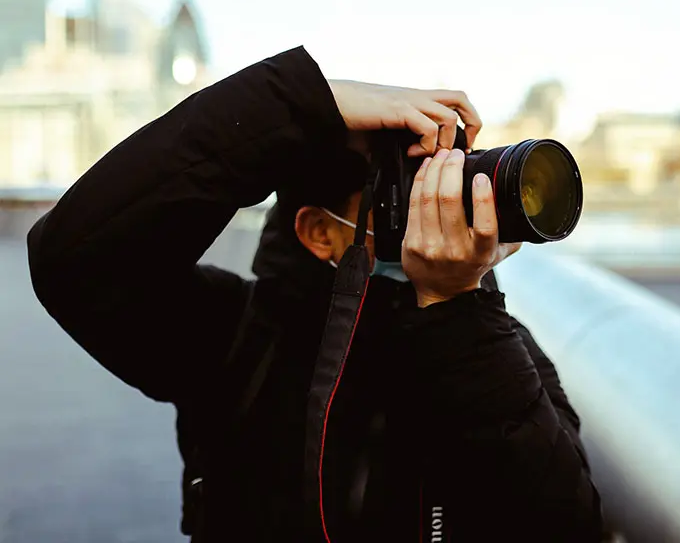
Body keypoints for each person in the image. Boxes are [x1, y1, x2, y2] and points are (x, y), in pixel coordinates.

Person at [27, 46, 605, 542]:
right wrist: (301, 101)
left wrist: (456, 310)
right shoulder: (237, 335)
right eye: (401, 188)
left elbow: (563, 526)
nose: (437, 199)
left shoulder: (491, 342)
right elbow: (74, 257)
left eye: (439, 170)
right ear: (317, 231)